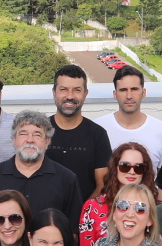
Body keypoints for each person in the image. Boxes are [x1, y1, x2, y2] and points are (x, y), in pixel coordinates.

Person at [0, 110, 84, 246]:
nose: (30, 140)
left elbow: (73, 232)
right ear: (13, 140)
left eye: (37, 134)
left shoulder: (66, 179)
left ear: (47, 142)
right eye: (23, 134)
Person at [46, 64, 113, 204]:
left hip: (84, 220)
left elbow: (102, 185)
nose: (70, 96)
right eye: (63, 89)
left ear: (85, 94)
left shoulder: (97, 135)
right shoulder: (39, 131)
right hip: (43, 219)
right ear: (54, 92)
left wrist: (81, 214)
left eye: (77, 90)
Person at [79, 141, 154, 246]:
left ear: (145, 171)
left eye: (139, 167)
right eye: (125, 166)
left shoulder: (154, 206)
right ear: (115, 167)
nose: (132, 171)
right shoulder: (92, 207)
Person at [95, 62, 162, 170]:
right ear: (115, 94)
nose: (129, 96)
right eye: (123, 90)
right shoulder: (97, 128)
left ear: (144, 93)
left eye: (134, 89)